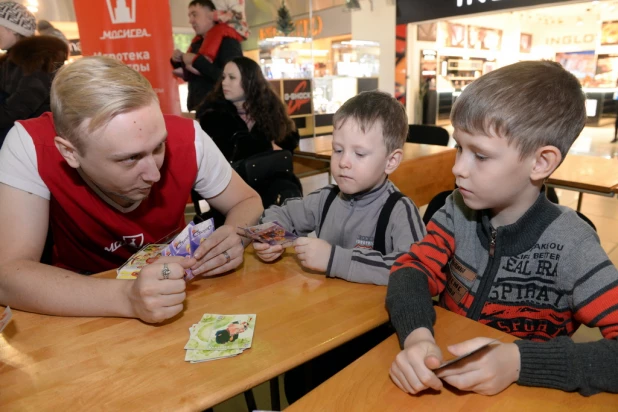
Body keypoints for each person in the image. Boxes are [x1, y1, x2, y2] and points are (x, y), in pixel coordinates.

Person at [387, 61, 618, 397]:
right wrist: (418, 337)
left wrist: (519, 362)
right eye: (459, 147)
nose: (458, 168)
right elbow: (411, 270)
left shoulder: (574, 246)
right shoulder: (456, 211)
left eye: (480, 155)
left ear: (541, 162)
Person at [0, 56, 263, 324]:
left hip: (178, 286)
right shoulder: (29, 145)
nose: (155, 174)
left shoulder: (189, 138)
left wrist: (236, 235)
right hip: (77, 294)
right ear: (69, 152)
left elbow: (247, 201)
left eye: (160, 146)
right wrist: (126, 297)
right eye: (129, 158)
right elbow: (8, 275)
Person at [255, 90, 426, 285]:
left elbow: (416, 269)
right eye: (338, 150)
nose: (343, 162)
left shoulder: (399, 210)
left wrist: (334, 260)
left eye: (359, 154)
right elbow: (278, 213)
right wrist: (270, 238)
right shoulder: (325, 198)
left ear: (391, 161)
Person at [198, 56, 301, 210]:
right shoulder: (213, 115)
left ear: (249, 81)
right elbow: (232, 151)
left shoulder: (270, 108)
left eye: (232, 78)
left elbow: (289, 137)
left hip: (267, 178)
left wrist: (267, 148)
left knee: (288, 190)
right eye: (224, 77)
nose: (225, 82)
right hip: (230, 184)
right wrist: (267, 147)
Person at [0, 2, 68, 148]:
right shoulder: (10, 61)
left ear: (12, 29)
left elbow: (20, 107)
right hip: (19, 137)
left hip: (35, 142)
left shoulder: (39, 58)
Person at [171, 0, 243, 111]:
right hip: (198, 109)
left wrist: (197, 61)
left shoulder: (228, 41)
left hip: (220, 112)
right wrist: (177, 61)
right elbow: (194, 74)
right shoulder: (197, 42)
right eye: (189, 16)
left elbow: (232, 78)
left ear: (212, 15)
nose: (191, 21)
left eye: (195, 15)